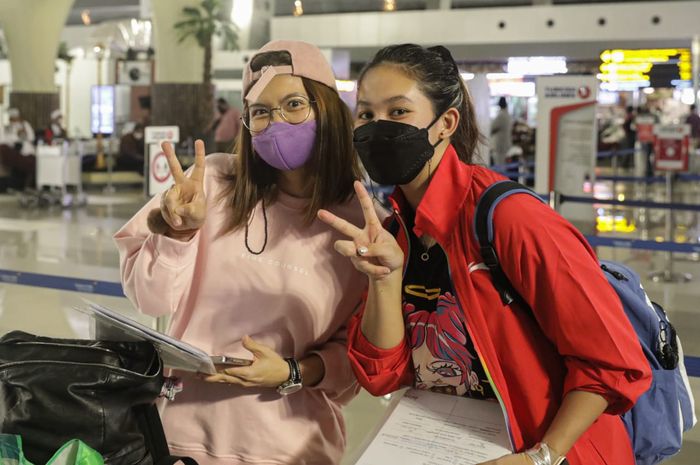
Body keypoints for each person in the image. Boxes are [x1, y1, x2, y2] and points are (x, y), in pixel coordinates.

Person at [318, 44, 651, 465]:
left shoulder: (510, 219)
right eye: (365, 114)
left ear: (446, 123)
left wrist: (542, 456)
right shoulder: (395, 232)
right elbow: (383, 376)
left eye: (398, 111)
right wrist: (384, 279)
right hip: (459, 444)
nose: (377, 127)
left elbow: (612, 361)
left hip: (556, 451)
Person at [114, 40, 365, 465]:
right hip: (177, 440)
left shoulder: (361, 221)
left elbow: (359, 359)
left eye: (293, 104)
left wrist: (292, 371)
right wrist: (177, 236)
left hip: (289, 447)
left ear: (327, 110)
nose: (276, 122)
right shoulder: (208, 183)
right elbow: (150, 298)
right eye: (260, 112)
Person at [490, 96, 512, 166]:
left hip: (500, 146)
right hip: (505, 144)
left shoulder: (501, 115)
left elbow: (491, 127)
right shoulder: (508, 114)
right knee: (503, 165)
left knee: (499, 166)